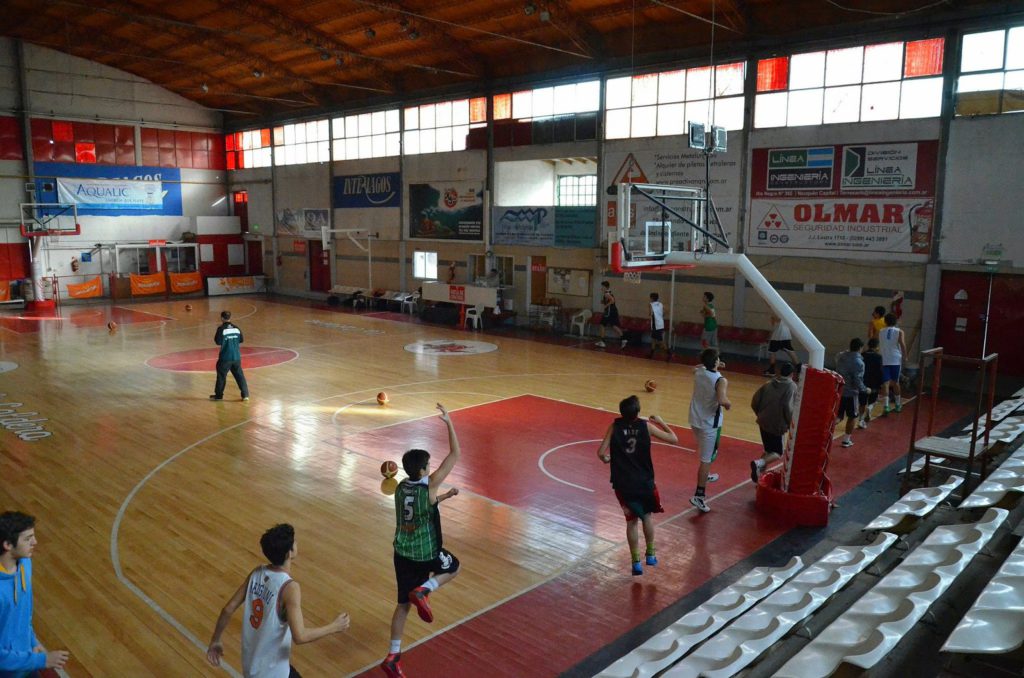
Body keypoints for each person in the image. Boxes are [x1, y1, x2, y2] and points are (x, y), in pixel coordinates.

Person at [206, 524, 350, 677]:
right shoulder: (290, 588)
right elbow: (300, 636)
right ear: (290, 553)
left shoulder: (257, 573)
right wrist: (334, 627)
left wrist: (215, 640)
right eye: (294, 541)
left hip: (253, 668)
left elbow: (228, 608)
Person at [382, 404, 461, 678]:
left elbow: (423, 508)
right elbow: (455, 454)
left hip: (401, 552)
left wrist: (444, 498)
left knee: (403, 605)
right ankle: (425, 589)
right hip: (425, 552)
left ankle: (393, 655)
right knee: (453, 567)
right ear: (425, 470)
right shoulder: (430, 484)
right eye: (429, 465)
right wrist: (449, 422)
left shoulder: (401, 487)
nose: (431, 467)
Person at [597, 395, 679, 575]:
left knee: (631, 521)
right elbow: (674, 439)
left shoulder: (615, 426)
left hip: (623, 484)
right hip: (644, 482)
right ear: (638, 412)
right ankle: (650, 554)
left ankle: (635, 562)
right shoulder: (646, 426)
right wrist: (662, 422)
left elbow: (601, 452)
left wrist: (606, 458)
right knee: (647, 517)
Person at [0, 511, 69, 676]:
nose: (35, 542)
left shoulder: (25, 564)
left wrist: (31, 641)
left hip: (26, 663)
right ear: (7, 545)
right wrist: (42, 660)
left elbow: (25, 614)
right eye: (27, 538)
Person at [689, 348, 730, 513]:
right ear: (715, 362)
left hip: (694, 419)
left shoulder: (699, 372)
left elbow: (695, 368)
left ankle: (706, 475)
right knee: (706, 459)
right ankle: (699, 496)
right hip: (709, 423)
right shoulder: (721, 380)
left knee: (705, 452)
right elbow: (721, 399)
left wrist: (711, 363)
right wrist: (728, 403)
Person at [750, 363, 796, 483]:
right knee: (777, 453)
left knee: (768, 450)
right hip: (777, 424)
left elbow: (754, 401)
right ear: (792, 374)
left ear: (780, 372)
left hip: (763, 421)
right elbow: (788, 406)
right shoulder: (791, 386)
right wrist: (791, 423)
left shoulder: (768, 383)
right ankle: (759, 463)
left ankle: (759, 474)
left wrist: (760, 414)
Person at [835, 338, 869, 448]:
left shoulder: (841, 356)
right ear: (860, 348)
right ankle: (846, 440)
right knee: (852, 416)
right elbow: (857, 379)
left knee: (838, 415)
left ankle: (825, 433)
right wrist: (864, 389)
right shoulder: (859, 363)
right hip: (851, 393)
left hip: (839, 390)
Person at [211, 310, 250, 402]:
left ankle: (219, 396)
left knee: (221, 376)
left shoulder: (221, 329)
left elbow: (218, 342)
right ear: (230, 317)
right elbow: (241, 340)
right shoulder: (236, 328)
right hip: (236, 357)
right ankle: (245, 395)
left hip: (225, 357)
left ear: (222, 318)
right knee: (240, 376)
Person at [878, 313, 907, 415]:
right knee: (895, 382)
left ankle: (886, 406)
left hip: (884, 358)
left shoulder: (881, 331)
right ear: (896, 321)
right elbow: (902, 345)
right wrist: (905, 356)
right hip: (895, 359)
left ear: (885, 321)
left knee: (885, 383)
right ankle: (898, 404)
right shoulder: (899, 332)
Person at [858, 338, 884, 428]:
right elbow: (880, 371)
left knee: (862, 402)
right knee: (873, 400)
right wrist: (881, 382)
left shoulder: (862, 355)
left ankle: (860, 420)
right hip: (874, 382)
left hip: (863, 381)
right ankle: (870, 408)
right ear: (877, 347)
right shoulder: (878, 357)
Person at [596, 281, 626, 349]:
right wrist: (604, 302)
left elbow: (612, 300)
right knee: (614, 326)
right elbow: (610, 300)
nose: (601, 288)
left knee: (602, 324)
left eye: (602, 286)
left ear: (604, 286)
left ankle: (602, 342)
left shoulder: (607, 293)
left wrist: (606, 305)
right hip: (613, 311)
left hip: (609, 312)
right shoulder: (609, 292)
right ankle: (624, 339)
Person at [648, 292, 669, 360]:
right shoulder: (660, 304)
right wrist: (662, 315)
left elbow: (650, 313)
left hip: (656, 325)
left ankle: (669, 353)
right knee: (653, 339)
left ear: (652, 298)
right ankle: (651, 354)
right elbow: (666, 310)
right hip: (660, 323)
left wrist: (650, 314)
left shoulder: (651, 305)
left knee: (660, 341)